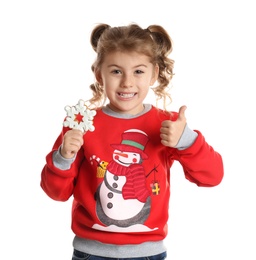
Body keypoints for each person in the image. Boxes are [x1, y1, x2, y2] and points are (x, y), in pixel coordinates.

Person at [40, 23, 224, 260]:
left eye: (138, 71)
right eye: (116, 71)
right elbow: (56, 193)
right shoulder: (80, 125)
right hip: (90, 252)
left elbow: (212, 177)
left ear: (154, 74)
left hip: (148, 253)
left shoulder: (167, 124)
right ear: (99, 74)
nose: (127, 82)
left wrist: (187, 141)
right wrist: (63, 157)